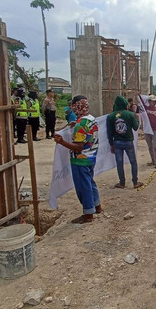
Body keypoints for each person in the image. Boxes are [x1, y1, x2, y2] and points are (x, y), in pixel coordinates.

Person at [53, 95, 101, 224]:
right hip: (91, 157)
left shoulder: (81, 123)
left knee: (83, 187)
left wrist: (62, 141)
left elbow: (78, 147)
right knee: (90, 183)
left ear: (75, 106)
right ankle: (97, 206)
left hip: (80, 160)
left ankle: (88, 215)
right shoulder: (90, 119)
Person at [107, 96, 142, 189]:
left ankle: (122, 183)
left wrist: (111, 144)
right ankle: (135, 182)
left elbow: (109, 132)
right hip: (128, 142)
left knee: (119, 162)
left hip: (117, 142)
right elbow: (135, 127)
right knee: (133, 162)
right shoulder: (130, 114)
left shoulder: (111, 116)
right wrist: (137, 119)